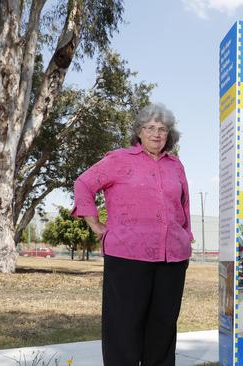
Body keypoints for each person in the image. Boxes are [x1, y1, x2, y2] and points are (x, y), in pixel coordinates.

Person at [72, 103, 193, 366]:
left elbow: (183, 205)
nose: (157, 134)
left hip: (171, 257)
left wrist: (186, 237)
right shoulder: (118, 159)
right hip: (127, 255)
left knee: (163, 326)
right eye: (150, 128)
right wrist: (95, 223)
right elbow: (83, 184)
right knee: (123, 326)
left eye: (162, 129)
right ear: (139, 131)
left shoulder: (176, 165)